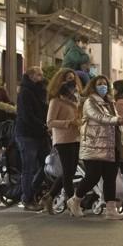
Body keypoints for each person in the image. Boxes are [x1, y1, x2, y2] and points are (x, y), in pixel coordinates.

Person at [67, 75, 123, 220]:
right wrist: (115, 120)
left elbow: (114, 120)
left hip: (112, 145)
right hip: (94, 145)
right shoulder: (89, 102)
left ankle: (111, 209)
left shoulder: (110, 102)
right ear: (93, 86)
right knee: (93, 176)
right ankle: (75, 201)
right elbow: (99, 117)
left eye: (105, 84)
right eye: (99, 84)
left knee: (110, 178)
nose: (103, 86)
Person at [39, 69, 81, 214]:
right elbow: (50, 122)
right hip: (63, 140)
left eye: (72, 78)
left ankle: (49, 196)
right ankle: (72, 203)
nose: (71, 81)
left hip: (76, 137)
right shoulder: (55, 100)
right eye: (67, 78)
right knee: (68, 173)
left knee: (70, 171)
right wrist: (69, 123)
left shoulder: (75, 99)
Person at [15, 66, 50, 211]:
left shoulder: (41, 91)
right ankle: (27, 199)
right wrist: (43, 125)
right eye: (38, 75)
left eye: (42, 74)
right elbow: (26, 115)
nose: (41, 77)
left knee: (47, 165)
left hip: (41, 134)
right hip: (27, 135)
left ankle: (32, 191)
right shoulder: (25, 92)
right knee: (28, 168)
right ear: (31, 76)